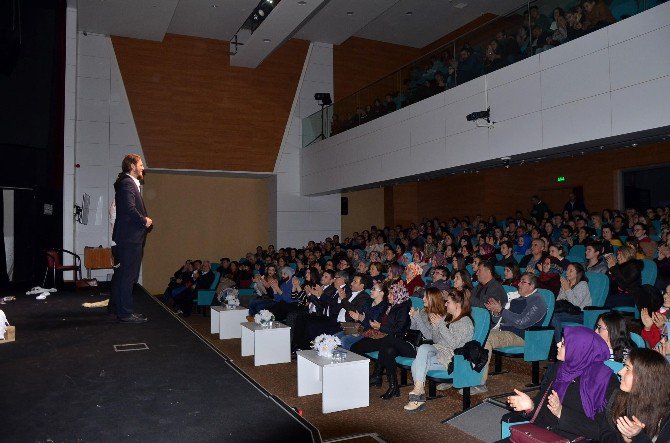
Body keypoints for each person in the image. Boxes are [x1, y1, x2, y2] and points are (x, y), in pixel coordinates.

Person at [503, 327, 619, 442]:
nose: (558, 344)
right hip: (541, 434)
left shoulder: (604, 381)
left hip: (571, 439)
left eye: (563, 343)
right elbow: (542, 408)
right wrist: (530, 406)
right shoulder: (559, 369)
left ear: (578, 350)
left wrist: (562, 413)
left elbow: (601, 431)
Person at [403, 289, 474, 412]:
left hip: (453, 358)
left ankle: (417, 399)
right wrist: (437, 327)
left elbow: (454, 344)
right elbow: (436, 340)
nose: (445, 304)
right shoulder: (447, 317)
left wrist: (440, 325)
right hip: (440, 351)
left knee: (417, 362)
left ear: (457, 305)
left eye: (448, 302)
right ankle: (418, 391)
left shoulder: (465, 322)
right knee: (422, 351)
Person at [480, 273, 547, 393]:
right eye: (519, 281)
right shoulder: (518, 298)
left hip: (523, 335)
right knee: (477, 335)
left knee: (486, 339)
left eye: (522, 282)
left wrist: (501, 310)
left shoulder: (538, 300)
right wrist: (496, 311)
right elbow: (502, 318)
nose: (518, 284)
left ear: (531, 286)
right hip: (506, 331)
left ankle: (478, 382)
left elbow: (522, 322)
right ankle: (461, 375)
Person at [596, 348, 670, 442]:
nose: (620, 372)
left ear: (645, 377)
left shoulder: (666, 415)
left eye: (627, 368)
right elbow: (604, 434)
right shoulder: (618, 396)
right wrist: (624, 438)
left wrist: (638, 436)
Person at [111, 154, 152, 324]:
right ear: (132, 166)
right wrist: (144, 220)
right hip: (130, 239)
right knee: (128, 276)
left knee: (122, 275)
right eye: (141, 164)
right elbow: (129, 208)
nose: (143, 167)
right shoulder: (128, 183)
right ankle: (126, 313)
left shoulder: (126, 183)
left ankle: (117, 308)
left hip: (126, 238)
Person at [551, 263, 592, 342]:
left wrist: (567, 288)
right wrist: (564, 289)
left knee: (553, 317)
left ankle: (558, 345)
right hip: (567, 311)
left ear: (578, 273)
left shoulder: (583, 285)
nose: (567, 273)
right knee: (549, 314)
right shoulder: (566, 283)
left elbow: (576, 305)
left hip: (581, 314)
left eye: (571, 271)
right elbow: (559, 301)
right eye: (567, 270)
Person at [640, 284, 670, 349]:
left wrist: (662, 328)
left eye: (669, 294)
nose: (664, 295)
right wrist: (647, 328)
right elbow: (651, 344)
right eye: (665, 292)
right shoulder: (661, 313)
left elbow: (663, 348)